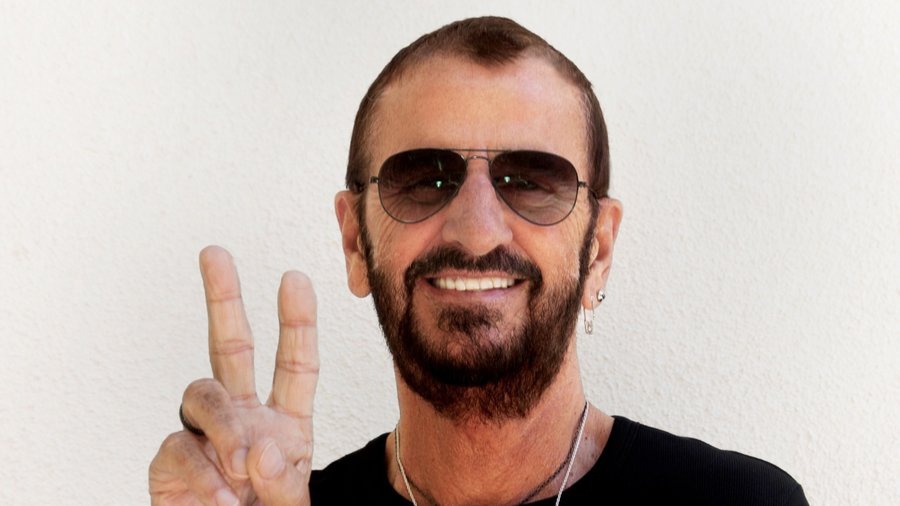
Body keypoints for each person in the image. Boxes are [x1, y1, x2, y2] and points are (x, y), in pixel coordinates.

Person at [149, 16, 808, 505]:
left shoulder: (739, 503)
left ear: (598, 251)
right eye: (422, 178)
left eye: (533, 180)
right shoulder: (275, 503)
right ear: (355, 243)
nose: (475, 228)